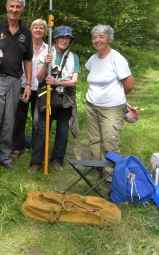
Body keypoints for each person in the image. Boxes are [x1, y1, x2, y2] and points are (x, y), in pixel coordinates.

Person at [0, 0, 33, 170]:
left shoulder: (26, 32)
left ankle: (4, 156)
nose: (14, 9)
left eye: (18, 7)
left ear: (22, 9)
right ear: (6, 7)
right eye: (12, 6)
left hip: (15, 81)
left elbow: (27, 59)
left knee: (10, 119)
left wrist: (27, 83)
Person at [28, 26, 80, 173]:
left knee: (63, 130)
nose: (64, 40)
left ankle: (57, 160)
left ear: (70, 40)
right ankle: (36, 161)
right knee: (43, 129)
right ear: (56, 39)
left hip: (65, 97)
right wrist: (45, 64)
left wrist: (58, 82)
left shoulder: (74, 57)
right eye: (61, 37)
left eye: (67, 38)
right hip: (47, 95)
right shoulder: (46, 53)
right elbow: (38, 77)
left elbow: (74, 81)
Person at [85, 24, 134, 178]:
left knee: (109, 144)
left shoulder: (116, 58)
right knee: (95, 140)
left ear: (109, 39)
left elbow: (129, 84)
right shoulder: (93, 59)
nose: (97, 40)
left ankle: (112, 178)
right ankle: (99, 170)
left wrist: (115, 96)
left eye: (101, 36)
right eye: (94, 37)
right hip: (91, 106)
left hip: (111, 108)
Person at [11, 19, 48, 158]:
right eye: (35, 27)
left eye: (41, 28)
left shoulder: (48, 49)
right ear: (31, 30)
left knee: (38, 119)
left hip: (40, 88)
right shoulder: (23, 46)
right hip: (23, 86)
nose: (38, 30)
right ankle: (17, 147)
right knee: (19, 118)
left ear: (44, 31)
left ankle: (36, 145)